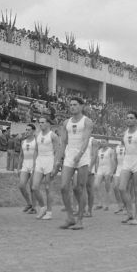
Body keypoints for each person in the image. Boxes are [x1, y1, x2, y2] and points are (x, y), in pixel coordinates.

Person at [58, 97, 94, 230]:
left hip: (82, 155)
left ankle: (80, 220)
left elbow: (85, 140)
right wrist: (58, 160)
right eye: (71, 105)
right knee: (63, 187)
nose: (72, 107)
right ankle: (70, 217)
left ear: (81, 106)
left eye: (75, 105)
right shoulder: (66, 122)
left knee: (80, 187)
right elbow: (63, 143)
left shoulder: (87, 121)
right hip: (69, 155)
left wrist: (80, 154)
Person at [118, 111, 137, 226]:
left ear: (136, 120)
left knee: (136, 190)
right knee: (121, 188)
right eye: (127, 118)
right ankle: (129, 213)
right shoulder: (124, 133)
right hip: (127, 161)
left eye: (131, 118)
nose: (129, 120)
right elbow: (127, 148)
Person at [31, 117, 59, 220]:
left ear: (48, 124)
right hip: (40, 161)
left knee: (48, 188)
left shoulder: (53, 135)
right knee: (34, 187)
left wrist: (55, 166)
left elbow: (57, 151)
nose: (40, 124)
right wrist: (34, 163)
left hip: (49, 161)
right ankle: (43, 207)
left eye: (43, 122)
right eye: (40, 122)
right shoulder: (37, 135)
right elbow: (36, 151)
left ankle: (49, 212)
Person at [17, 124, 38, 214]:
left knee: (32, 187)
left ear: (33, 131)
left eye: (29, 130)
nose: (27, 131)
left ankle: (34, 207)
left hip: (34, 165)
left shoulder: (36, 141)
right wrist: (18, 167)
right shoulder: (23, 142)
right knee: (21, 186)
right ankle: (29, 203)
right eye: (26, 129)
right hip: (25, 164)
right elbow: (21, 155)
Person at [94, 137, 116, 211]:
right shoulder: (99, 151)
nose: (102, 143)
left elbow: (113, 161)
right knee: (96, 185)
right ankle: (100, 203)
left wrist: (112, 172)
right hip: (100, 169)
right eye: (101, 142)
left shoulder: (111, 151)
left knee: (107, 188)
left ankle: (107, 205)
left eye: (104, 142)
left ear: (107, 142)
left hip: (108, 169)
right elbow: (97, 161)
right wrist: (96, 170)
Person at [112, 141, 126, 214]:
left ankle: (126, 207)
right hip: (119, 168)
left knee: (124, 188)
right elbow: (115, 160)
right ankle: (120, 205)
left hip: (126, 167)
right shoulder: (116, 147)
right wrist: (113, 170)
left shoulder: (128, 146)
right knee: (115, 187)